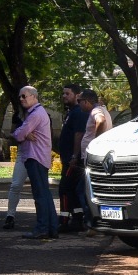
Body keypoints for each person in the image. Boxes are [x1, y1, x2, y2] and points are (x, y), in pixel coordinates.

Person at [12, 85, 57, 241]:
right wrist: (24, 133)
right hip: (39, 158)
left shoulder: (35, 114)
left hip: (35, 157)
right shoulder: (37, 113)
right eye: (20, 96)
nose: (21, 99)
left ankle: (42, 228)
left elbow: (18, 135)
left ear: (34, 96)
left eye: (24, 96)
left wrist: (23, 133)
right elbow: (23, 133)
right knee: (44, 193)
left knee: (40, 195)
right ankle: (51, 228)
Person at [55, 83, 89, 233]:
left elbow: (79, 135)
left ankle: (64, 220)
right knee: (72, 190)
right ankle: (77, 220)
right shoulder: (71, 112)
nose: (64, 96)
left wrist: (74, 156)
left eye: (67, 94)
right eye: (63, 94)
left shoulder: (78, 113)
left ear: (77, 95)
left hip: (73, 160)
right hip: (68, 158)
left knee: (64, 188)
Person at [78, 88, 112, 233]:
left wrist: (95, 141)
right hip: (98, 157)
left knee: (84, 191)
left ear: (86, 101)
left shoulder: (95, 111)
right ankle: (98, 224)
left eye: (80, 101)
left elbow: (101, 121)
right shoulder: (103, 109)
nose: (79, 104)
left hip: (92, 159)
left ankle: (92, 224)